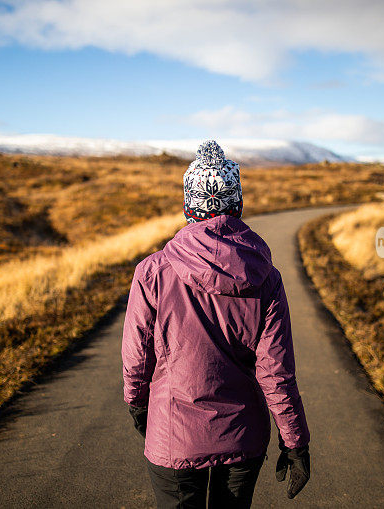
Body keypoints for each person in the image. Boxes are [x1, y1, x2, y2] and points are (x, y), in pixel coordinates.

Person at [122, 140, 310, 508]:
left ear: (188, 206)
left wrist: (137, 403)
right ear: (238, 204)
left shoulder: (153, 272)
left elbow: (136, 356)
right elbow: (277, 373)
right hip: (243, 438)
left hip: (173, 434)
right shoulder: (267, 277)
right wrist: (295, 441)